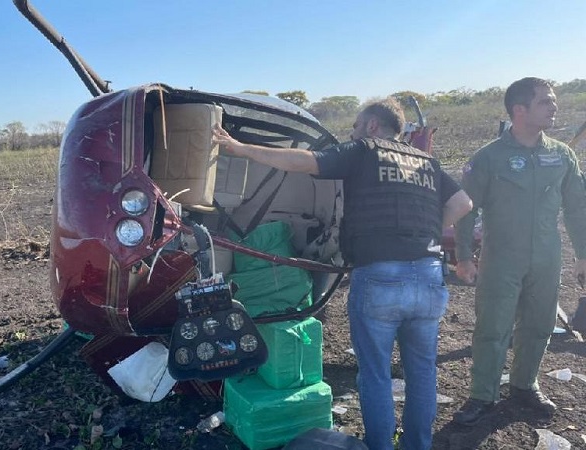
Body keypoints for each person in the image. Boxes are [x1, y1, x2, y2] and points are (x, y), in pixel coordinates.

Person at [213, 98, 472, 450]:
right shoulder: (427, 161)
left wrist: (241, 149)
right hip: (429, 276)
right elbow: (462, 204)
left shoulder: (364, 149)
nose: (351, 133)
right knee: (423, 372)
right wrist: (427, 234)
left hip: (380, 277)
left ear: (371, 126)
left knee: (377, 375)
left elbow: (304, 161)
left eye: (354, 126)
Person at [452, 77, 586, 425]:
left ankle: (525, 386)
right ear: (519, 110)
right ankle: (482, 395)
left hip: (546, 258)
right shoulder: (488, 158)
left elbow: (577, 207)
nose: (554, 107)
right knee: (493, 328)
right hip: (501, 259)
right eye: (545, 101)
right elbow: (467, 209)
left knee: (539, 325)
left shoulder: (561, 155)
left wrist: (583, 254)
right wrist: (463, 256)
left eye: (554, 100)